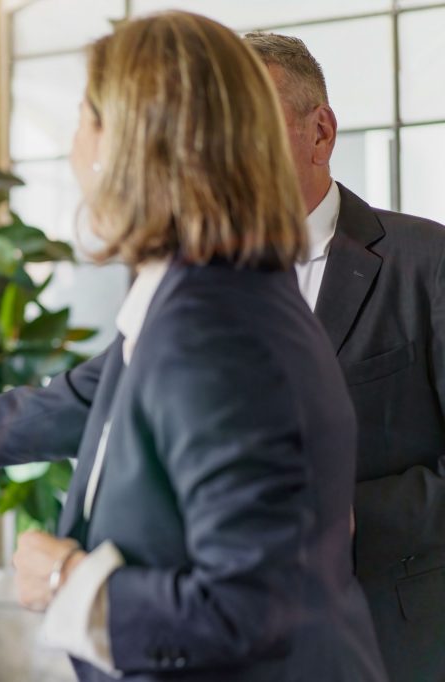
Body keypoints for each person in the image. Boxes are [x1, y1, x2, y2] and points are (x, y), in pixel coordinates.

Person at [0, 12, 388, 681]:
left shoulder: (214, 326)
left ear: (134, 144)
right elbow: (78, 402)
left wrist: (69, 582)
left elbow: (248, 611)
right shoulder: (198, 295)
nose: (76, 145)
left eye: (85, 115)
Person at [243, 31, 445, 682]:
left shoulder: (428, 262)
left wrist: (349, 517)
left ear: (320, 132)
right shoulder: (195, 280)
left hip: (392, 641)